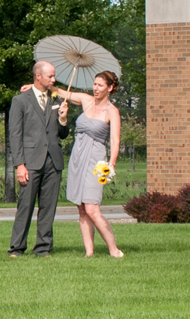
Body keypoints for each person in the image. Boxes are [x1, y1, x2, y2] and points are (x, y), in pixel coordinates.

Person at [53, 70, 127, 258]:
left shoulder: (112, 112)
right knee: (81, 208)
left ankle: (114, 249)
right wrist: (40, 88)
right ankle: (89, 252)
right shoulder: (86, 100)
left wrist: (111, 164)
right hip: (78, 156)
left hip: (96, 160)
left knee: (92, 208)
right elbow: (64, 93)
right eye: (94, 84)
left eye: (100, 85)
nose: (95, 88)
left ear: (110, 88)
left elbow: (115, 141)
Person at [6, 61, 72, 258]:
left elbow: (63, 134)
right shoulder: (20, 101)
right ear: (38, 77)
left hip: (53, 161)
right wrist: (20, 165)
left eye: (54, 76)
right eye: (50, 76)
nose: (53, 79)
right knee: (25, 206)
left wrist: (63, 119)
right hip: (30, 161)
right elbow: (15, 135)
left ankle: (43, 247)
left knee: (48, 207)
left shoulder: (58, 100)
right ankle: (17, 248)